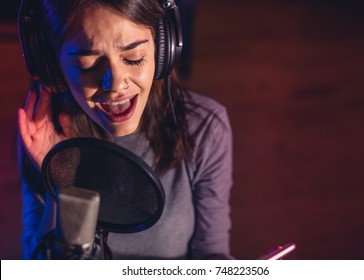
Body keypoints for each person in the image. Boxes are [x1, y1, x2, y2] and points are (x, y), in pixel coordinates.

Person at [17, 0, 233, 260]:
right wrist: (59, 176)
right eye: (88, 65)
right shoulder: (44, 133)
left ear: (162, 49)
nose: (116, 84)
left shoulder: (205, 128)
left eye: (134, 58)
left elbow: (212, 256)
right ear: (53, 67)